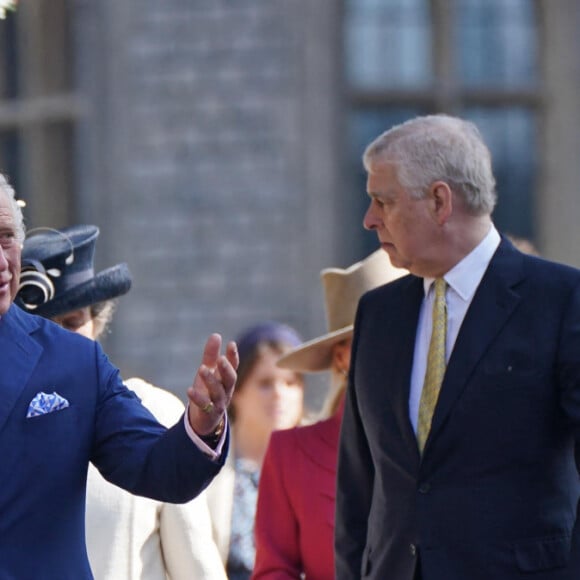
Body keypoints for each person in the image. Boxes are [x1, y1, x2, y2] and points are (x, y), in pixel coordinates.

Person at [335, 114, 580, 580]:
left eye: (383, 202)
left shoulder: (562, 301)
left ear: (439, 201)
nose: (369, 219)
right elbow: (358, 488)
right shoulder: (378, 314)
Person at [0, 173, 238, 578]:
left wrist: (202, 426)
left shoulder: (73, 362)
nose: (3, 262)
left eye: (6, 238)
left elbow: (158, 468)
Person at [252, 249, 406, 579]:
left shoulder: (440, 438)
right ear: (341, 358)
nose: (392, 348)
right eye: (376, 334)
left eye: (403, 333)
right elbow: (274, 570)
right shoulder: (291, 453)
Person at [205, 321, 305, 580]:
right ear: (236, 392)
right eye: (265, 383)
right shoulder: (209, 469)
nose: (279, 394)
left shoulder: (325, 459)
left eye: (290, 382)